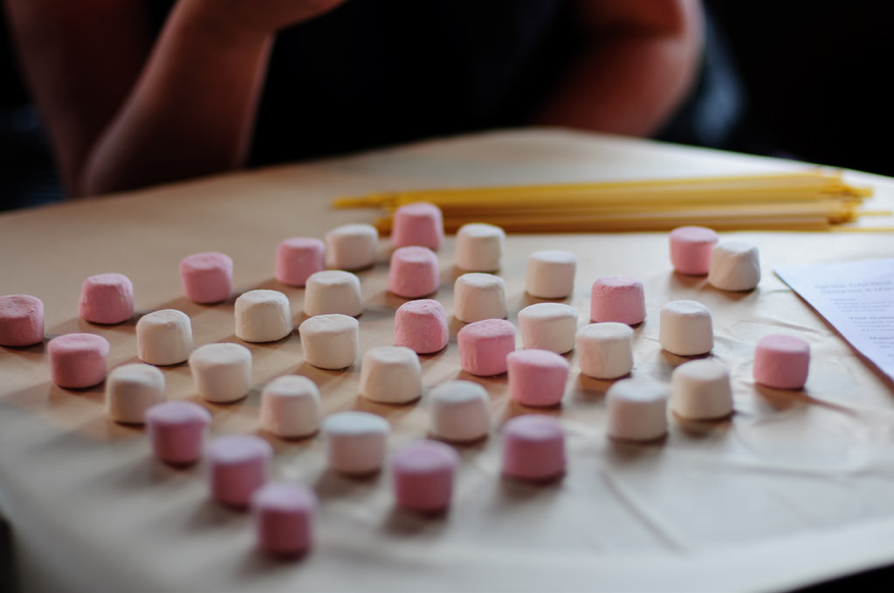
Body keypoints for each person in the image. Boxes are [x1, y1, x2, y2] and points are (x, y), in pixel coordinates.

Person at [3, 0, 704, 199]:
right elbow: (117, 205)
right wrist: (220, 28)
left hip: (578, 166)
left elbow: (653, 32)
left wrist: (490, 204)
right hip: (263, 234)